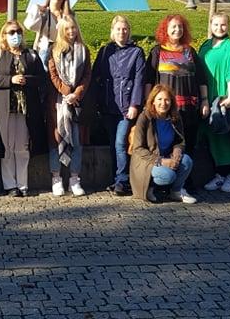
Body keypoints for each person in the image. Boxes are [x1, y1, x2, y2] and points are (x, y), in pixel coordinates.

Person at [144, 14, 207, 192]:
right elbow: (149, 80)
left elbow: (201, 79)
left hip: (189, 107)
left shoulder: (190, 51)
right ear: (166, 29)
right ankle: (166, 181)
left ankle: (185, 181)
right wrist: (148, 104)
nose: (177, 30)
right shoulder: (157, 51)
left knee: (188, 144)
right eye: (173, 27)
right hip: (166, 109)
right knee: (168, 144)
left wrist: (205, 101)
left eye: (180, 27)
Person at [0, 20, 48, 197]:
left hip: (25, 109)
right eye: (11, 32)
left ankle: (22, 183)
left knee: (22, 147)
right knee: (7, 147)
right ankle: (10, 184)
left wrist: (27, 79)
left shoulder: (31, 54)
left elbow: (42, 78)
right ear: (4, 35)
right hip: (4, 108)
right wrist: (10, 80)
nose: (15, 35)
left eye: (18, 32)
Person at [92, 15, 145, 196]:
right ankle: (115, 179)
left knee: (120, 142)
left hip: (126, 106)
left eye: (125, 29)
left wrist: (134, 104)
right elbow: (96, 76)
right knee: (113, 143)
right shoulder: (105, 51)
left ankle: (122, 180)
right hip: (108, 105)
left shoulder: (136, 52)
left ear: (129, 31)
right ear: (112, 31)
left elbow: (139, 80)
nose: (122, 32)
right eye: (118, 29)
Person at [199, 13, 230, 193]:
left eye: (223, 25)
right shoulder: (205, 46)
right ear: (210, 25)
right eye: (216, 25)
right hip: (210, 96)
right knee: (215, 134)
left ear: (228, 26)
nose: (219, 28)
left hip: (226, 95)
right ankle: (219, 174)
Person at [129, 84, 197, 204]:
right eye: (159, 99)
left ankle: (176, 191)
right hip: (147, 161)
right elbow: (138, 149)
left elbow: (180, 141)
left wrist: (177, 151)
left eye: (167, 100)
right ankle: (149, 187)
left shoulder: (175, 117)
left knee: (187, 161)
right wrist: (161, 161)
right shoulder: (144, 118)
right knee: (168, 176)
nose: (163, 103)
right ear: (153, 101)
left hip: (167, 156)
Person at [47, 16, 91, 197]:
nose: (71, 31)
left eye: (73, 28)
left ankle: (74, 178)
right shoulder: (54, 50)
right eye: (67, 29)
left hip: (77, 103)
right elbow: (53, 74)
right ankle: (56, 178)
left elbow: (87, 75)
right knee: (56, 140)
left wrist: (76, 94)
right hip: (58, 103)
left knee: (76, 140)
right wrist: (67, 92)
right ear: (62, 31)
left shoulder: (84, 50)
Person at [24, 0, 73, 68]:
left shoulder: (68, 15)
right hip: (45, 52)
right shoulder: (43, 13)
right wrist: (35, 7)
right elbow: (29, 25)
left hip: (64, 52)